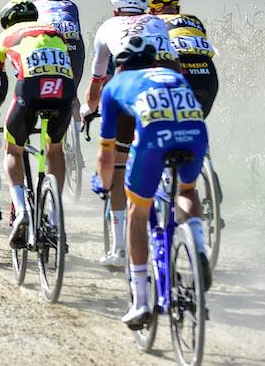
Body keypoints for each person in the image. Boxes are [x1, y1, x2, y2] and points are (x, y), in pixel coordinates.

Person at [91, 35, 210, 327]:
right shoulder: (170, 74)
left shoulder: (115, 86)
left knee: (137, 210)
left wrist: (104, 184)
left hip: (155, 137)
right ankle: (196, 241)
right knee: (187, 189)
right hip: (195, 132)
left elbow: (108, 153)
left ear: (121, 65)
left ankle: (141, 300)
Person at [81, 0, 180, 267]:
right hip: (167, 87)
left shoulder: (107, 27)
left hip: (128, 89)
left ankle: (119, 248)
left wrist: (91, 108)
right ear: (145, 7)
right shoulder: (157, 22)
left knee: (119, 162)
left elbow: (96, 82)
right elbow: (175, 64)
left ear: (115, 9)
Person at [0, 0, 74, 249]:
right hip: (64, 89)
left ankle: (20, 208)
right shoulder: (55, 33)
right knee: (55, 148)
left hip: (31, 88)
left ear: (7, 22)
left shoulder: (5, 36)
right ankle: (54, 216)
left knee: (13, 150)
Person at [147, 0, 219, 116]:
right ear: (178, 9)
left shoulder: (149, 21)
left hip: (176, 68)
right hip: (206, 71)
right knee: (196, 124)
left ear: (150, 10)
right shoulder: (194, 20)